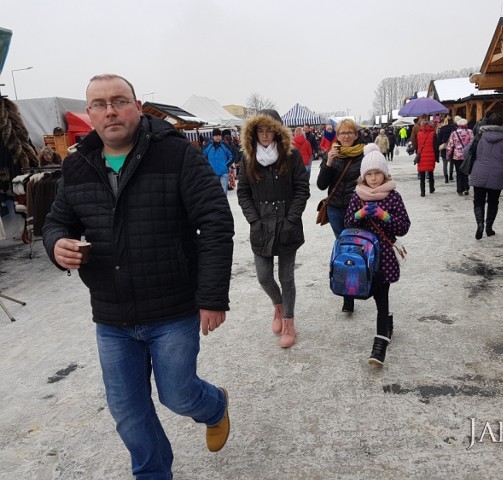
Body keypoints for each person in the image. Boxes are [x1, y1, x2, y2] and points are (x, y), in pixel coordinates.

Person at [41, 73, 234, 478]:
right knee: (128, 412)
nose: (109, 110)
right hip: (112, 315)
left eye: (118, 100)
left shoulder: (178, 155)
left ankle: (214, 406)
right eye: (98, 103)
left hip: (172, 307)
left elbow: (215, 221)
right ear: (89, 114)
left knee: (178, 394)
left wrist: (213, 296)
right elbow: (56, 222)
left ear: (137, 106)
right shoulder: (76, 166)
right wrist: (57, 243)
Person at [237, 110, 310, 348]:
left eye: (269, 129)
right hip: (261, 225)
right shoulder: (248, 157)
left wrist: (291, 219)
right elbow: (243, 192)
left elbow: (301, 188)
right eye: (261, 130)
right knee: (264, 277)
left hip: (287, 224)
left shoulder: (291, 155)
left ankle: (288, 321)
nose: (265, 134)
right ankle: (278, 307)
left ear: (277, 131)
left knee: (286, 277)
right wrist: (254, 220)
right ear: (254, 132)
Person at [344, 148, 411, 367]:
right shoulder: (357, 196)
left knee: (381, 299)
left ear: (385, 174)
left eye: (377, 173)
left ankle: (379, 346)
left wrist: (385, 216)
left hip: (384, 257)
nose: (373, 178)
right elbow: (347, 225)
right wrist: (359, 214)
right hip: (363, 258)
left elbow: (404, 226)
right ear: (363, 176)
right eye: (369, 174)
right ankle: (388, 323)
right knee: (370, 294)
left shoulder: (393, 196)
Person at [317, 118, 366, 313]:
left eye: (349, 133)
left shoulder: (364, 154)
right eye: (342, 133)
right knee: (344, 249)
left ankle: (361, 283)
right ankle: (349, 295)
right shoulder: (331, 155)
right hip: (335, 209)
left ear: (355, 135)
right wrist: (329, 162)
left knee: (356, 249)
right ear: (337, 136)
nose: (346, 137)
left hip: (357, 210)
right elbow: (321, 185)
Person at [468, 114, 503, 240]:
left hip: (479, 172)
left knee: (478, 201)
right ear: (502, 124)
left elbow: (466, 152)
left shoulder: (479, 137)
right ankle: (489, 228)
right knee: (493, 202)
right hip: (498, 173)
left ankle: (479, 225)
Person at [446, 117, 474, 196]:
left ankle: (459, 189)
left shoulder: (454, 133)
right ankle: (466, 188)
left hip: (457, 156)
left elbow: (450, 145)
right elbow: (473, 143)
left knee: (459, 173)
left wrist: (448, 155)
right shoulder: (470, 132)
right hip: (467, 156)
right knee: (466, 172)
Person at [203, 128, 234, 195]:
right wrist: (207, 167)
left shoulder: (224, 145)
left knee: (223, 193)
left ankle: (223, 205)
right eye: (216, 136)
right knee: (213, 194)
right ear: (213, 136)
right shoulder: (207, 146)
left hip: (224, 173)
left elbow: (231, 156)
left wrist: (226, 165)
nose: (218, 137)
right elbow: (202, 158)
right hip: (212, 174)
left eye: (219, 136)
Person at [415, 120, 438, 196]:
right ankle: (431, 188)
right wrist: (436, 157)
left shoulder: (419, 134)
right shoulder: (433, 134)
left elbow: (418, 144)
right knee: (430, 172)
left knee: (422, 175)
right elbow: (435, 146)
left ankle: (422, 192)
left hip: (421, 155)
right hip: (431, 155)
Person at [436, 116, 456, 183]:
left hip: (444, 147)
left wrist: (439, 145)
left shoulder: (442, 129)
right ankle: (451, 176)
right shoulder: (454, 128)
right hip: (452, 146)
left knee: (445, 164)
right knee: (452, 163)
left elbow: (438, 140)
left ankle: (446, 178)